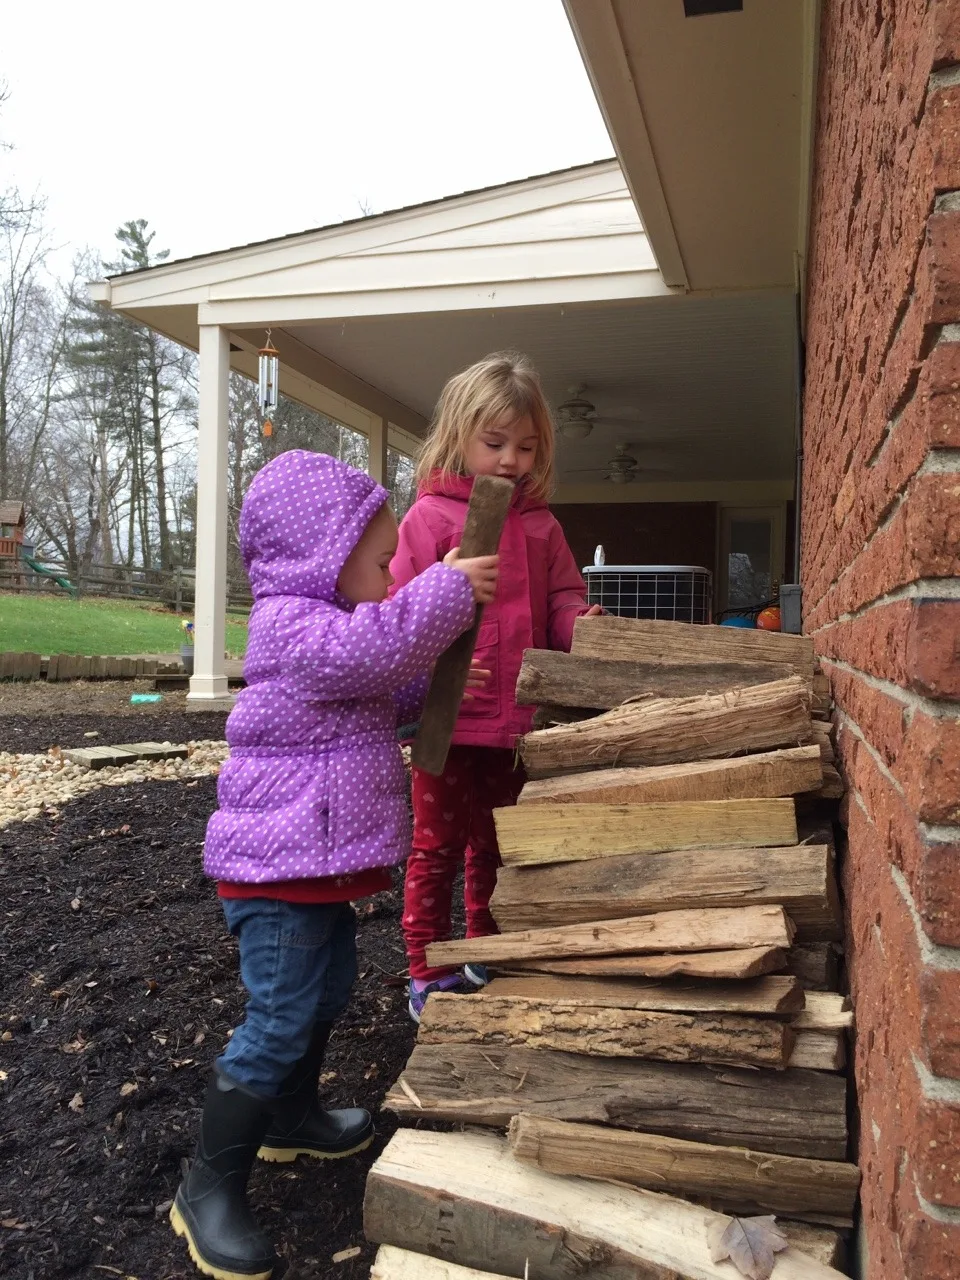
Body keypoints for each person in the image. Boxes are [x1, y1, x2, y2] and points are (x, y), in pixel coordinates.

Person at [170, 449, 498, 1280]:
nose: (392, 574)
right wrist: (445, 594)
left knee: (326, 990)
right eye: (382, 560)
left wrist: (437, 689)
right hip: (276, 877)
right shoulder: (294, 627)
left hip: (311, 869)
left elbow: (377, 691)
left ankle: (291, 1118)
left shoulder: (330, 640)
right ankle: (205, 1189)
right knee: (279, 1015)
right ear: (325, 553)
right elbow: (368, 656)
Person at [391, 351, 600, 1023]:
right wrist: (440, 586)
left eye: (526, 447)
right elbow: (398, 609)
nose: (511, 459)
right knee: (435, 847)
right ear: (458, 436)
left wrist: (582, 626)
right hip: (448, 720)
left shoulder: (542, 526)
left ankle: (487, 946)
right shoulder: (429, 520)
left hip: (517, 719)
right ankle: (426, 967)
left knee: (499, 843)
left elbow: (561, 600)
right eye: (495, 443)